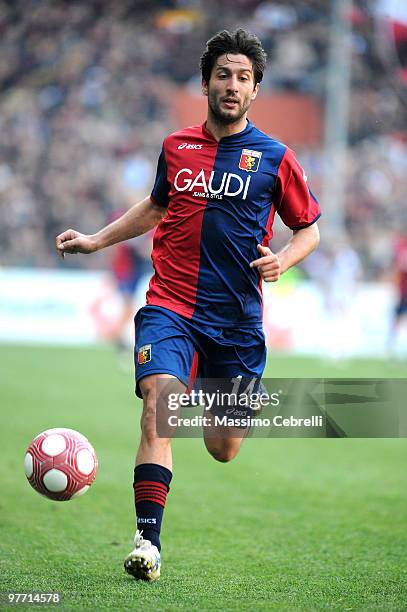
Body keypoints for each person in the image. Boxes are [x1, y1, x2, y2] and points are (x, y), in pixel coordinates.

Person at [56, 29, 321, 582]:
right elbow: (155, 208)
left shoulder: (276, 158)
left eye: (244, 77)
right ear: (206, 82)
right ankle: (146, 543)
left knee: (223, 448)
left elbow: (309, 230)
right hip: (170, 306)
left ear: (255, 91)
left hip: (237, 322)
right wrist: (95, 241)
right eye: (223, 74)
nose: (232, 85)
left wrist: (284, 261)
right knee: (158, 407)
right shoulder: (176, 147)